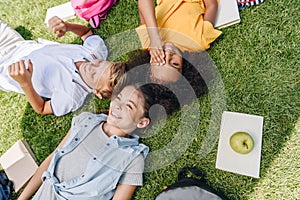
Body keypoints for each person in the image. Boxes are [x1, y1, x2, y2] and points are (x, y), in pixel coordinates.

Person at [17, 83, 170, 200]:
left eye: (129, 106)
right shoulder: (85, 120)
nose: (117, 106)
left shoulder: (133, 158)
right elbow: (51, 159)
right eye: (118, 98)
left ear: (142, 122)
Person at [0, 16, 126, 116]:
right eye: (99, 63)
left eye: (93, 75)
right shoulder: (96, 51)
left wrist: (25, 83)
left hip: (5, 72)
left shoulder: (70, 96)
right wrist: (67, 26)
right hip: (18, 45)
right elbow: (87, 33)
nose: (91, 66)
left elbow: (42, 108)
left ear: (97, 92)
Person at [135, 0, 222, 83]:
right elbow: (212, 5)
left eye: (161, 61)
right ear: (183, 65)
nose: (168, 54)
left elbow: (143, 2)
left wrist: (154, 36)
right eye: (175, 64)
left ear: (151, 61)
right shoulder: (197, 42)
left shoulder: (149, 42)